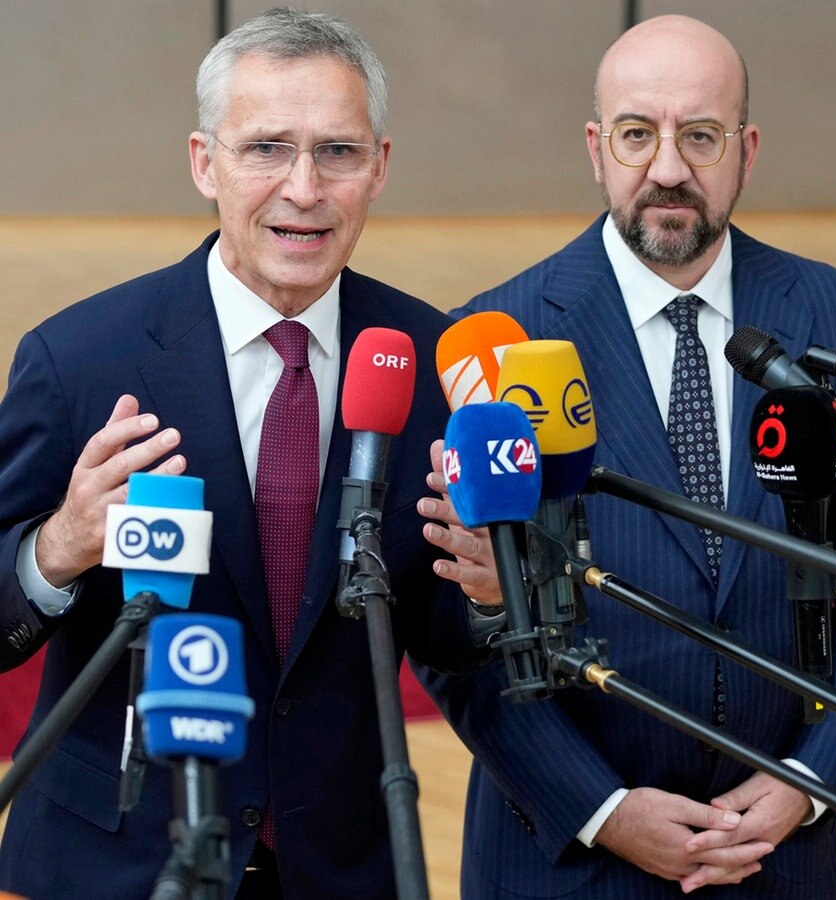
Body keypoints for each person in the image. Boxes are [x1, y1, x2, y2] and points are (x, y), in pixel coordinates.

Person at [0, 9, 485, 899]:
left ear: (378, 168)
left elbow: (448, 642)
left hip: (341, 866)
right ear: (203, 162)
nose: (303, 187)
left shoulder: (430, 361)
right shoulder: (79, 359)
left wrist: (489, 590)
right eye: (266, 147)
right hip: (114, 862)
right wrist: (60, 545)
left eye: (337, 152)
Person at [416, 14, 836, 898]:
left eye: (701, 136)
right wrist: (601, 807)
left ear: (746, 150)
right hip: (566, 857)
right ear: (597, 149)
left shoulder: (835, 315)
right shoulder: (492, 336)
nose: (669, 169)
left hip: (780, 857)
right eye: (639, 134)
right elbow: (451, 634)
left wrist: (814, 778)